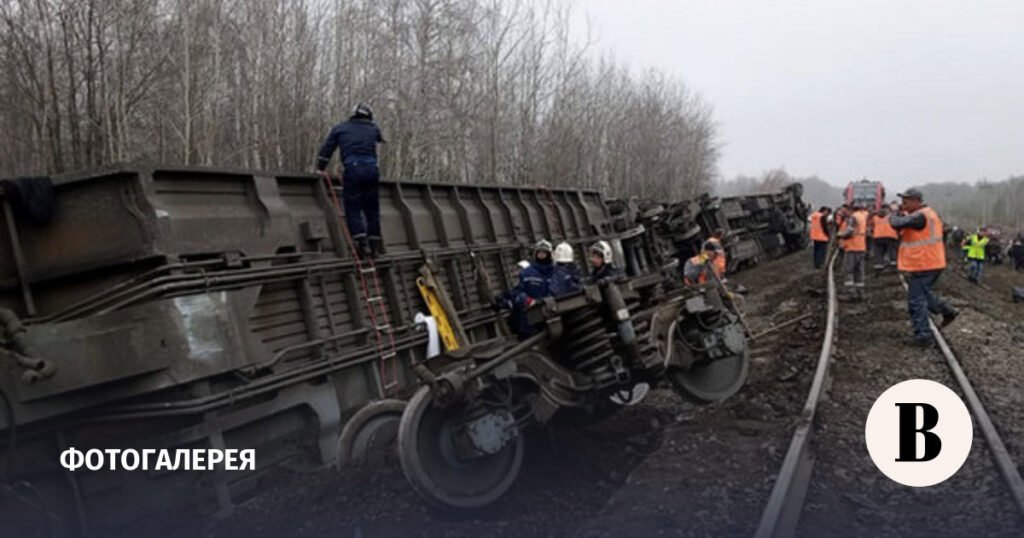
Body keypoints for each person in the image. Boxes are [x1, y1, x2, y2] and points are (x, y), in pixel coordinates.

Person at [889, 188, 959, 347]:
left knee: (916, 301)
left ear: (916, 201)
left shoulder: (920, 216)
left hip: (925, 264)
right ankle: (947, 310)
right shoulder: (926, 214)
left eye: (906, 200)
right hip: (930, 263)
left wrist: (894, 212)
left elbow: (896, 223)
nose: (903, 203)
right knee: (923, 294)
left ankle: (924, 337)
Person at [316, 102, 386, 257]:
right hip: (372, 170)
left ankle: (362, 243)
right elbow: (381, 139)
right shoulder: (373, 128)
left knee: (353, 207)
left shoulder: (340, 128)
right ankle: (374, 246)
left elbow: (327, 149)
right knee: (372, 209)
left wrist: (321, 167)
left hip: (353, 169)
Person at [837, 203, 868, 289]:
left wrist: (840, 235)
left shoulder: (853, 217)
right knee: (859, 269)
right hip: (861, 246)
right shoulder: (862, 216)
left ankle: (849, 289)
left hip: (852, 246)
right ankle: (860, 288)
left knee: (849, 268)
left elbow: (849, 232)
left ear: (850, 210)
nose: (844, 213)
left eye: (845, 211)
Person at [871, 206, 899, 271]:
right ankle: (893, 265)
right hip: (891, 236)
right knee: (892, 252)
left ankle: (879, 266)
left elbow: (871, 226)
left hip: (878, 237)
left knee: (879, 252)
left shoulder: (875, 217)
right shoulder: (892, 216)